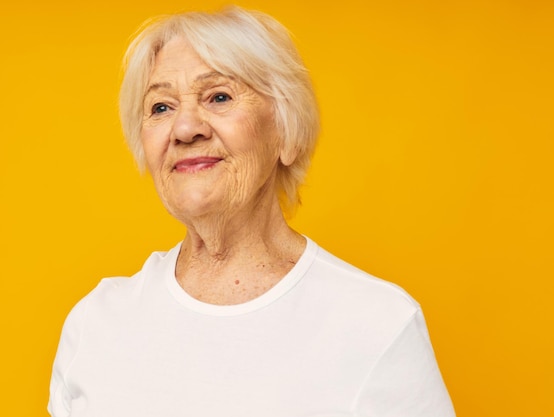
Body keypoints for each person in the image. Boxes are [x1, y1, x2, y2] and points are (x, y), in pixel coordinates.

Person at [48, 5, 455, 417]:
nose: (186, 129)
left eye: (219, 97)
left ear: (286, 134)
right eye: (161, 107)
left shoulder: (377, 324)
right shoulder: (94, 325)